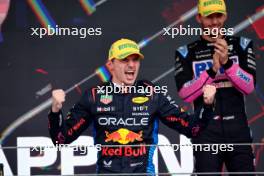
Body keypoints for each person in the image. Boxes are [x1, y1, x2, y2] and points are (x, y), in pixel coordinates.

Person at [48, 38, 216, 174]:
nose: (131, 65)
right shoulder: (93, 95)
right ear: (110, 65)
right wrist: (55, 110)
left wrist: (207, 106)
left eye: (135, 59)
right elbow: (60, 140)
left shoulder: (151, 93)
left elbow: (192, 129)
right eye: (124, 60)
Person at [174, 0, 256, 174]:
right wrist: (212, 71)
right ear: (199, 18)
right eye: (209, 17)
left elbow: (248, 87)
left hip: (238, 131)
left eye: (218, 16)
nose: (214, 21)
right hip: (206, 132)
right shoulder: (186, 52)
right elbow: (185, 93)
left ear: (225, 16)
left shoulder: (242, 45)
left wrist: (228, 63)